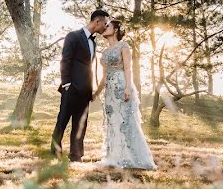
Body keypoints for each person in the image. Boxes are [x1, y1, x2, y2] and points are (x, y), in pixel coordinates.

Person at [94, 19, 157, 170]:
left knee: (126, 120)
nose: (105, 27)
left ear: (115, 30)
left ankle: (132, 157)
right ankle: (115, 157)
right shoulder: (105, 52)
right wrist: (96, 93)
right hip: (109, 91)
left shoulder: (124, 45)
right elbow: (104, 76)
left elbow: (128, 68)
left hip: (122, 86)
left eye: (108, 25)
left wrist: (128, 88)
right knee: (113, 121)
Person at [51, 9, 109, 162]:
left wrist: (91, 89)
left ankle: (76, 156)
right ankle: (55, 153)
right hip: (70, 88)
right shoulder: (74, 36)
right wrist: (67, 83)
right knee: (62, 121)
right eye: (105, 23)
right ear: (97, 22)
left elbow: (87, 66)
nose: (105, 26)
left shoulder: (93, 42)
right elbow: (66, 60)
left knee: (80, 124)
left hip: (85, 91)